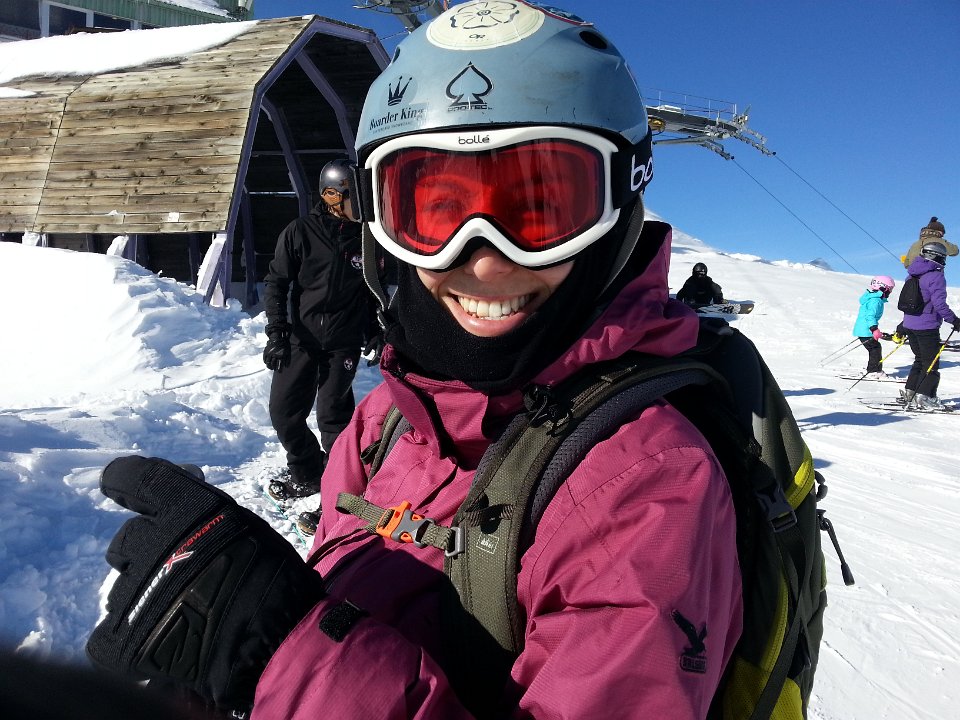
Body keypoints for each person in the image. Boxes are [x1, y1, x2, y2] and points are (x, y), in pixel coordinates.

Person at [85, 4, 742, 718]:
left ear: (619, 206)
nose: (483, 259)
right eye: (434, 208)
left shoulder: (646, 485)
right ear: (381, 222)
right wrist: (252, 644)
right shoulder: (386, 423)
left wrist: (283, 652)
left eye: (541, 204)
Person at [261, 159, 381, 503]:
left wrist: (375, 331)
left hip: (342, 343)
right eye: (355, 197)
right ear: (332, 196)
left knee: (333, 419)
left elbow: (372, 292)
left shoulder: (366, 239)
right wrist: (277, 332)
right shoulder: (300, 232)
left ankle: (347, 489)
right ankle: (308, 472)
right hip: (302, 340)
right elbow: (276, 283)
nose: (362, 205)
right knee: (284, 414)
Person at [898, 241, 960, 408]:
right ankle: (926, 396)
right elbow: (939, 304)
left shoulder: (912, 274)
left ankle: (911, 392)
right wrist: (954, 320)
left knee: (920, 359)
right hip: (926, 326)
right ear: (938, 256)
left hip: (910, 324)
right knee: (931, 362)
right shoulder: (935, 276)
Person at [852, 275, 895, 379]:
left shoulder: (872, 298)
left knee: (874, 348)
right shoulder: (876, 301)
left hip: (863, 329)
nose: (890, 292)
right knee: (875, 348)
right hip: (866, 330)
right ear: (883, 288)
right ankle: (874, 371)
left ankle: (873, 369)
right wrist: (874, 329)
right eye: (890, 289)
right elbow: (870, 316)